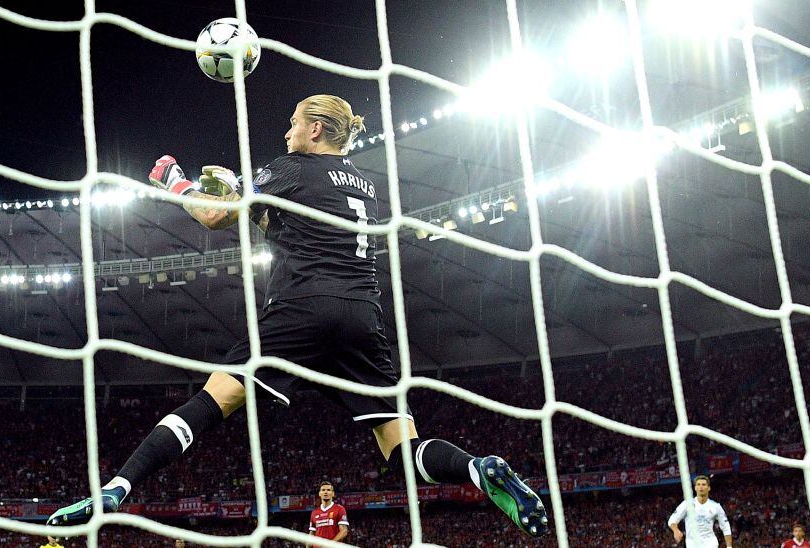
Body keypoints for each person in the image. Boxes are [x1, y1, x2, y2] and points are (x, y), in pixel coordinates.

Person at [45, 94, 548, 539]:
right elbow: (290, 219)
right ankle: (479, 470)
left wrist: (177, 184)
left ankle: (116, 489)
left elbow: (216, 216)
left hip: (301, 309)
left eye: (292, 124)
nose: (286, 133)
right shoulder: (366, 188)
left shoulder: (290, 167)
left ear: (314, 130)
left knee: (213, 398)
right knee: (402, 450)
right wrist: (248, 195)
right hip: (362, 318)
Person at [667, 475, 732, 548]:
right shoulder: (687, 504)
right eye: (698, 484)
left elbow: (726, 527)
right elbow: (672, 520)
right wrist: (675, 530)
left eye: (704, 484)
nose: (701, 487)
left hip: (710, 544)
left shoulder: (716, 506)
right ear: (695, 488)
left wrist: (729, 546)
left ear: (709, 488)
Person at [307, 481, 348, 546]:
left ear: (333, 494)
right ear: (319, 494)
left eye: (328, 490)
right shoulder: (314, 513)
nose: (325, 492)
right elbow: (311, 534)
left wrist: (329, 545)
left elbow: (344, 531)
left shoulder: (339, 509)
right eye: (323, 490)